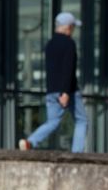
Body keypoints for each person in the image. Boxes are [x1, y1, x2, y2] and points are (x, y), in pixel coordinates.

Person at [19, 12, 88, 152]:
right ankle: (77, 153)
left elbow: (53, 70)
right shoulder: (69, 44)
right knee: (82, 120)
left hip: (51, 90)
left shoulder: (50, 44)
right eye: (73, 26)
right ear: (68, 27)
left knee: (52, 122)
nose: (73, 29)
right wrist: (65, 92)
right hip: (68, 90)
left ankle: (31, 141)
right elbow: (68, 69)